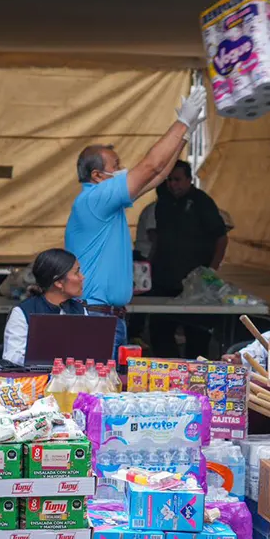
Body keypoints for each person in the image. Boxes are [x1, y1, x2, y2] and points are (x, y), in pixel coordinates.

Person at [65, 85, 207, 352]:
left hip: (108, 317)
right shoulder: (95, 198)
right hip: (93, 316)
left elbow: (158, 175)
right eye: (116, 166)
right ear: (97, 176)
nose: (122, 170)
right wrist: (181, 122)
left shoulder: (106, 200)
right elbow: (150, 166)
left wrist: (185, 135)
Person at [148, 161, 228, 358]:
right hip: (164, 279)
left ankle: (195, 372)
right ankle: (170, 371)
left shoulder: (202, 202)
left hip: (195, 282)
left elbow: (221, 237)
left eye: (177, 180)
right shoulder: (163, 202)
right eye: (169, 180)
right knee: (159, 331)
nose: (173, 184)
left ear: (189, 180)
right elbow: (158, 238)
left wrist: (211, 271)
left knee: (197, 336)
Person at [2, 248, 88, 365]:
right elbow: (12, 356)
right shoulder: (23, 312)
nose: (82, 277)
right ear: (58, 282)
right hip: (35, 376)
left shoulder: (80, 310)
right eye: (77, 272)